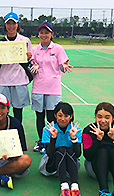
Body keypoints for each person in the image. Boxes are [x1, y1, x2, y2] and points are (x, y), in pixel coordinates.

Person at [31, 22, 73, 153]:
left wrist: (64, 66)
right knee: (39, 117)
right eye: (42, 32)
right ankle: (41, 141)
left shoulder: (58, 49)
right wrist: (34, 67)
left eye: (47, 32)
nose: (44, 35)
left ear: (52, 34)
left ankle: (50, 141)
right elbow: (31, 67)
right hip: (38, 88)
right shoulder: (34, 50)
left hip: (53, 89)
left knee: (51, 117)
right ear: (39, 34)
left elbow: (62, 65)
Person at [0, 94, 32, 190]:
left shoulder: (15, 124)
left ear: (8, 109)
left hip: (8, 162)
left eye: (2, 108)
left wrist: (11, 155)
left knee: (26, 160)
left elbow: (20, 152)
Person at [82, 102, 114, 196]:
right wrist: (98, 140)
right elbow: (87, 156)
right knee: (102, 151)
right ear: (95, 116)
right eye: (99, 117)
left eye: (107, 117)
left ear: (113, 117)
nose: (103, 121)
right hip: (94, 170)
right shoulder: (89, 130)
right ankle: (103, 191)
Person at [0, 11, 33, 123]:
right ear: (5, 25)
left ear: (17, 24)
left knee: (18, 111)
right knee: (3, 111)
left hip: (19, 80)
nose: (11, 26)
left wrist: (29, 58)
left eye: (13, 23)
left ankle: (17, 132)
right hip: (4, 81)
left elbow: (29, 61)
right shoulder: (0, 43)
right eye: (8, 23)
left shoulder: (25, 41)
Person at [38, 102, 83, 196]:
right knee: (60, 150)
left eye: (66, 116)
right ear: (55, 115)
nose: (63, 119)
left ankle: (75, 188)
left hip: (69, 167)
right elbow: (49, 153)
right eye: (60, 115)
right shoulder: (48, 129)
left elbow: (78, 154)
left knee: (70, 151)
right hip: (51, 165)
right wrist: (53, 137)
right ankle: (64, 188)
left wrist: (74, 138)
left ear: (71, 116)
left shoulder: (76, 129)